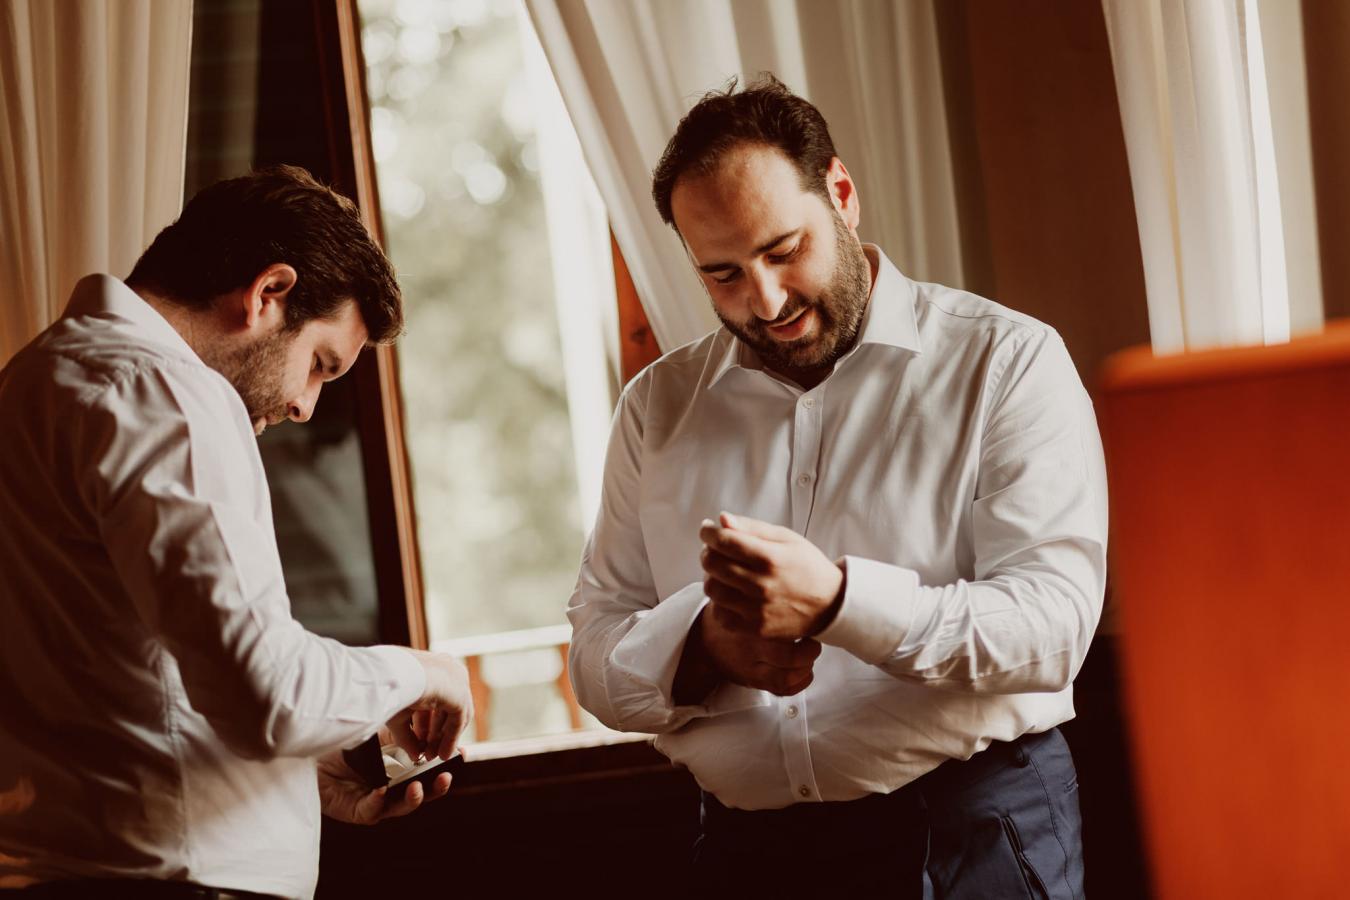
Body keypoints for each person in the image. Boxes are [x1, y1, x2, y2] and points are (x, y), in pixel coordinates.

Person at [567, 76, 1107, 898]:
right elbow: (596, 653)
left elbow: (1054, 627)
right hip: (746, 860)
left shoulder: (1007, 363)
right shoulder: (655, 408)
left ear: (842, 195)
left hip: (976, 838)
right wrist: (704, 649)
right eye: (723, 275)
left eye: (784, 250)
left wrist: (838, 604)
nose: (767, 299)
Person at [0, 166, 473, 899]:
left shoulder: (32, 383)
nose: (304, 406)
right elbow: (269, 696)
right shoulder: (164, 392)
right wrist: (427, 672)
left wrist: (305, 778)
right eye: (319, 364)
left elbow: (112, 688)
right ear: (267, 294)